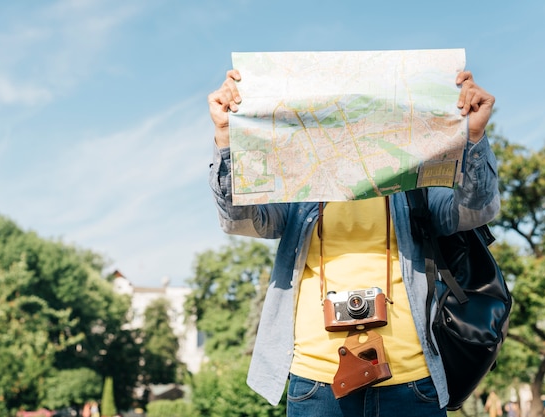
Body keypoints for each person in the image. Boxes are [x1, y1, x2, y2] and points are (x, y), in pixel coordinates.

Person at [207, 67, 499, 417]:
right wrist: (226, 139)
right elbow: (239, 220)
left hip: (413, 381)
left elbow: (474, 211)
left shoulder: (415, 184)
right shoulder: (299, 183)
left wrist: (475, 138)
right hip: (315, 383)